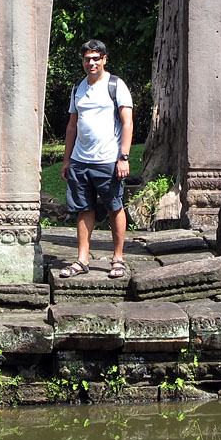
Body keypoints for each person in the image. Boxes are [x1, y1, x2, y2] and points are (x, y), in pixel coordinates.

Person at [60, 39, 134, 279]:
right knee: (83, 209)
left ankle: (118, 258)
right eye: (86, 59)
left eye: (95, 58)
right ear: (82, 61)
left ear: (104, 59)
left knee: (114, 207)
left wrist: (123, 157)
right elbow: (72, 125)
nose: (91, 63)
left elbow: (127, 122)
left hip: (108, 160)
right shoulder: (77, 88)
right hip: (81, 160)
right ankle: (82, 259)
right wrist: (67, 160)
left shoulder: (115, 85)